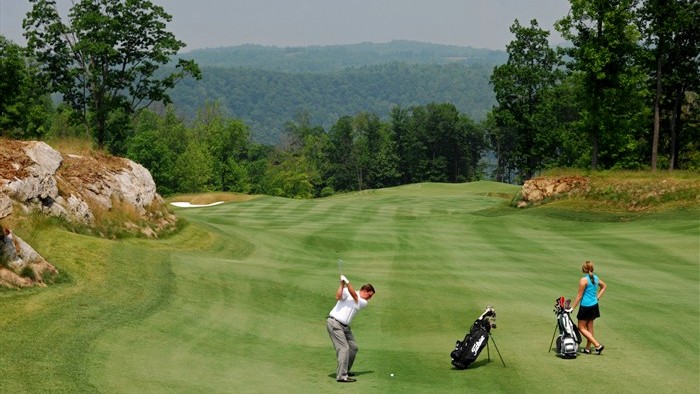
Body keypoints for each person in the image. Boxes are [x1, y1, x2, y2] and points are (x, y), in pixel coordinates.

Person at [326, 274, 375, 383]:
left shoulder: (363, 302)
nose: (370, 298)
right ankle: (342, 376)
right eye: (370, 295)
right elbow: (338, 297)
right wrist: (342, 284)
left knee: (353, 347)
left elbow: (354, 296)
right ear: (365, 291)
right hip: (334, 323)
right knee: (344, 348)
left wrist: (347, 282)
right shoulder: (348, 291)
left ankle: (345, 370)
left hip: (345, 327)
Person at [571, 260, 607, 355]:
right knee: (589, 326)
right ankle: (587, 348)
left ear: (584, 269)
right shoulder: (595, 278)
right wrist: (597, 298)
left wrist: (572, 308)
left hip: (586, 306)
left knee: (581, 327)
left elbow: (579, 296)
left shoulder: (584, 280)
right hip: (594, 305)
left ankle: (597, 345)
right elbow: (604, 286)